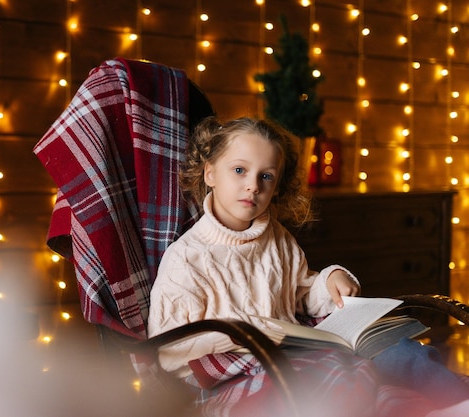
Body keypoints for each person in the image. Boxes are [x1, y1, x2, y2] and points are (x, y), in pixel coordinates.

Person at [147, 116, 469, 417]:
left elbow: (302, 292)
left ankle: (455, 403)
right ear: (210, 173)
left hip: (299, 346)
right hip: (240, 368)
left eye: (266, 176)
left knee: (401, 352)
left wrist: (331, 280)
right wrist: (240, 334)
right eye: (239, 170)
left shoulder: (278, 240)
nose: (253, 185)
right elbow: (169, 350)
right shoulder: (186, 258)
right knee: (337, 373)